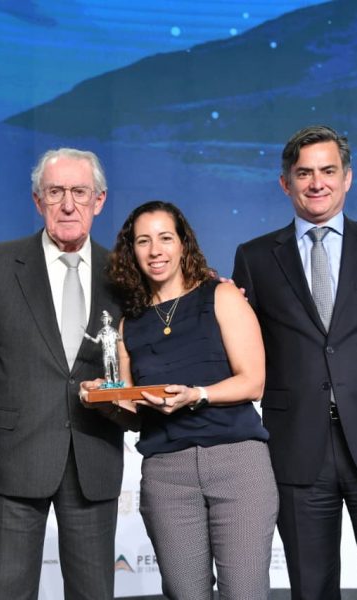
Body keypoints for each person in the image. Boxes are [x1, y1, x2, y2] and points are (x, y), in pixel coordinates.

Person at [232, 125, 357, 599]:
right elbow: (249, 349)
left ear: (347, 178)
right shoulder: (255, 258)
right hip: (297, 448)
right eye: (304, 173)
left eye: (328, 171)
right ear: (285, 183)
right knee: (311, 589)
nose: (317, 183)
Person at [0, 148, 125, 600]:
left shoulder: (123, 274)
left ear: (99, 200)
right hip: (13, 457)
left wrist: (215, 290)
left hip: (94, 456)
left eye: (79, 192)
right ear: (37, 200)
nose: (68, 205)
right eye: (55, 192)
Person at [96, 200, 278, 599]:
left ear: (183, 244)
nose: (155, 250)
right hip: (167, 473)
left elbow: (253, 383)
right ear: (132, 251)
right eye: (143, 241)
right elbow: (132, 412)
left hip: (237, 463)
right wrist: (103, 397)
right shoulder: (129, 324)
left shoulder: (222, 296)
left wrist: (197, 395)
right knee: (184, 593)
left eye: (165, 238)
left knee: (245, 592)